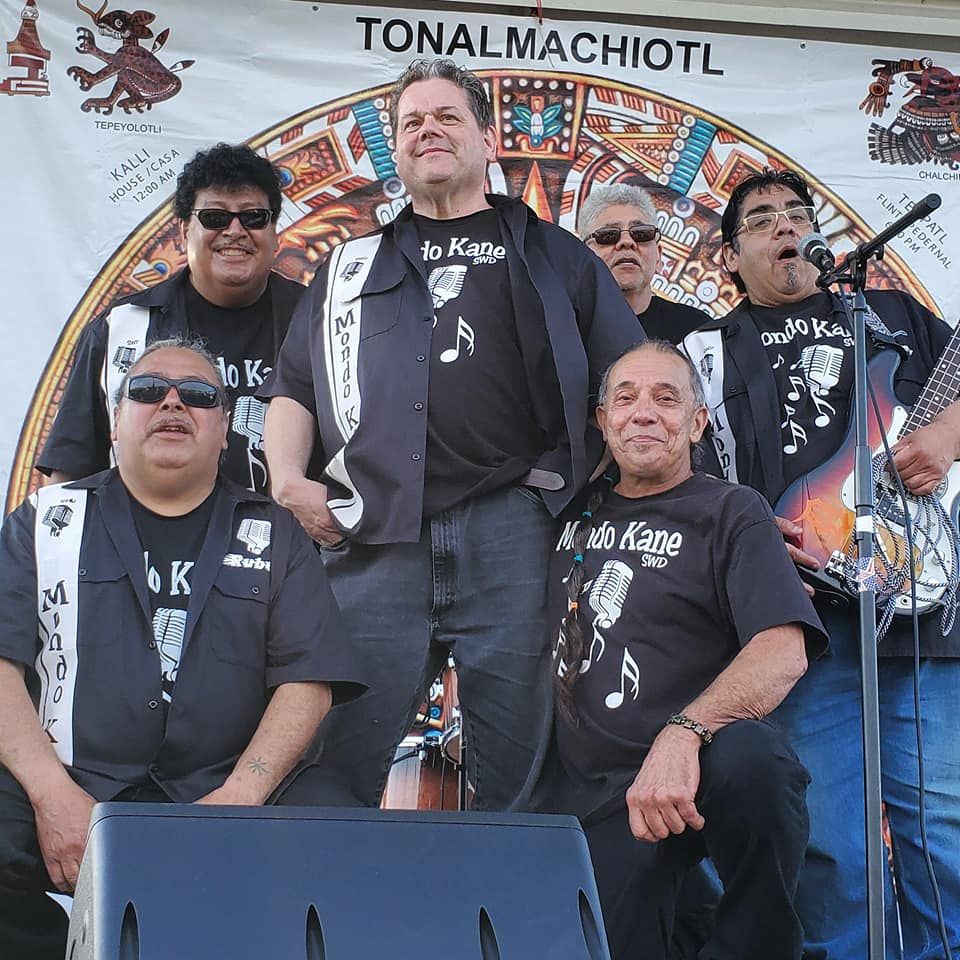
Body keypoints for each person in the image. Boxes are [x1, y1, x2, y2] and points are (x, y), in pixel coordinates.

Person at [260, 57, 640, 811]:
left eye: (446, 117)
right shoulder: (349, 267)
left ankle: (506, 893)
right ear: (395, 150)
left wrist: (582, 496)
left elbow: (626, 378)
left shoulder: (556, 253)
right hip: (375, 532)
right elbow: (293, 387)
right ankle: (325, 890)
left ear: (487, 139)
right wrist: (287, 480)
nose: (427, 130)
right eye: (411, 122)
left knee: (519, 773)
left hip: (515, 529)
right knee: (332, 758)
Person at [0, 340, 365, 960]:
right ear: (115, 422)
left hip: (224, 787)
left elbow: (308, 682)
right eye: (147, 390)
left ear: (224, 431)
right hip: (70, 781)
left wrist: (241, 797)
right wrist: (52, 796)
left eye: (198, 395)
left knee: (339, 839)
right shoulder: (45, 521)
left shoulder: (275, 532)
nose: (172, 403)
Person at [682, 167, 960, 959]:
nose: (784, 225)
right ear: (730, 257)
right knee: (831, 848)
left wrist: (946, 436)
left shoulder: (892, 314)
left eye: (797, 213)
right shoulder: (706, 352)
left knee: (942, 830)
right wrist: (748, 532)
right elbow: (681, 474)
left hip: (919, 615)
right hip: (801, 629)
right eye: (761, 219)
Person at [540, 340, 826, 960]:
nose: (643, 412)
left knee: (756, 763)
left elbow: (783, 649)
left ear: (697, 423)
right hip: (593, 799)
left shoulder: (731, 509)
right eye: (625, 399)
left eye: (666, 398)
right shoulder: (564, 513)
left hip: (698, 768)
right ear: (603, 421)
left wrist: (684, 733)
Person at [37, 142, 304, 495]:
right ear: (184, 232)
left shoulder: (319, 319)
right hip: (139, 531)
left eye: (253, 217)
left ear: (274, 233)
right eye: (214, 217)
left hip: (287, 531)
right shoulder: (122, 327)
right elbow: (70, 469)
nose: (235, 231)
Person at [578, 183, 709, 344]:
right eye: (608, 235)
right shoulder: (561, 329)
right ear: (582, 255)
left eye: (641, 233)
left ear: (658, 255)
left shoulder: (697, 333)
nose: (627, 242)